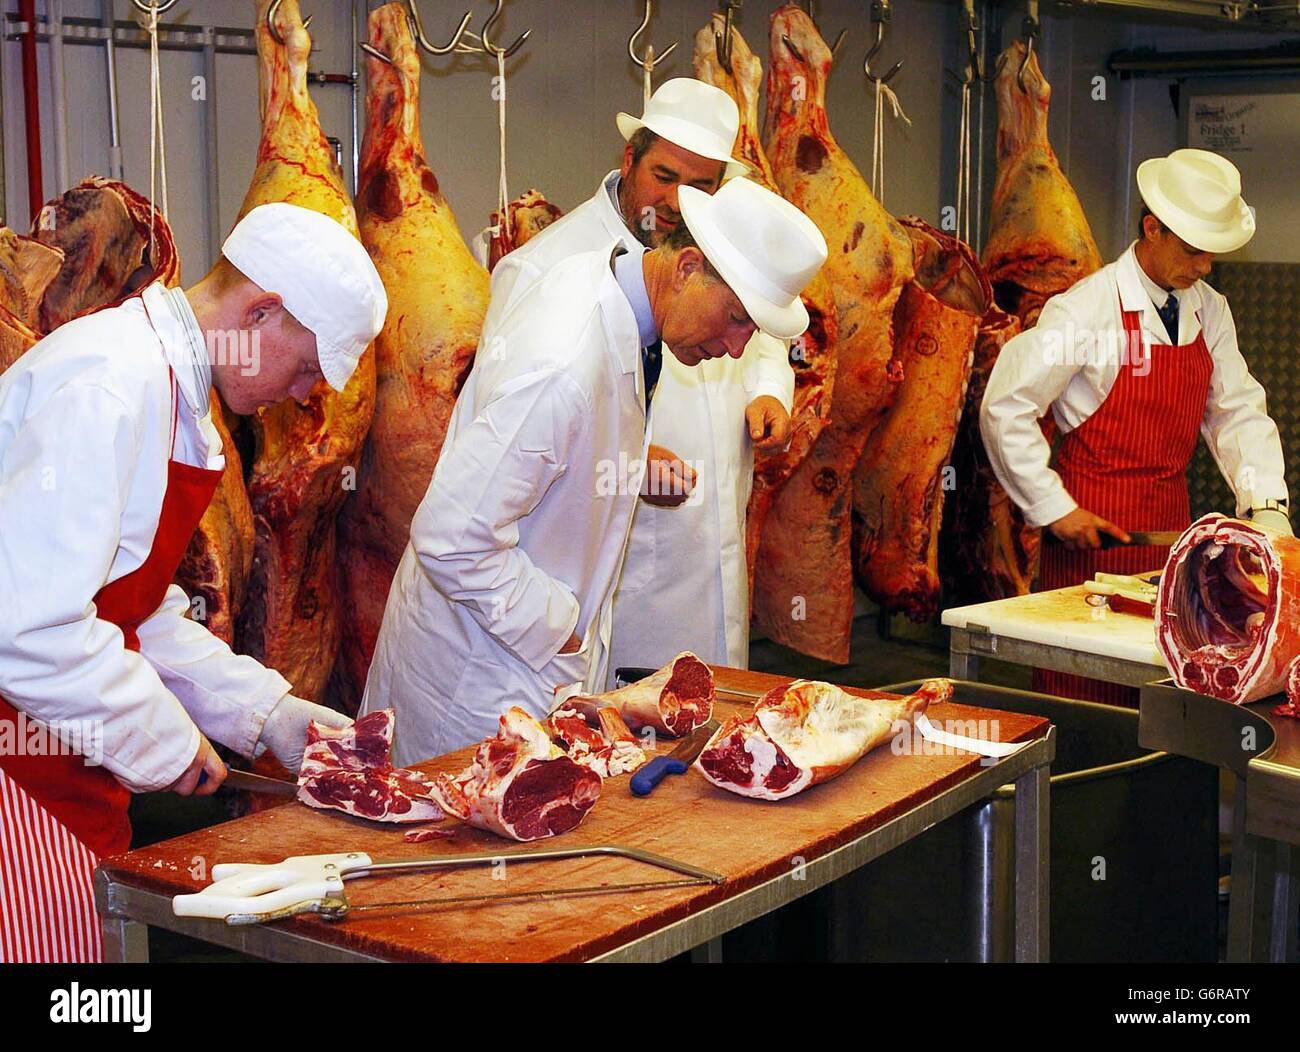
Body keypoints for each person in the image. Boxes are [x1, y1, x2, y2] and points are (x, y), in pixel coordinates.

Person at [0, 202, 387, 961]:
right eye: (308, 366)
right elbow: (29, 627)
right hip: (16, 783)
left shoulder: (175, 397)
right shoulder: (107, 384)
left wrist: (265, 711)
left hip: (66, 768)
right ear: (261, 311)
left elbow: (130, 610)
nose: (310, 393)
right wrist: (164, 740)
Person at [363, 177, 826, 764]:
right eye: (737, 319)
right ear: (686, 268)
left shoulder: (623, 312)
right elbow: (451, 537)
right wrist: (564, 626)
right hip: (474, 685)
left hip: (522, 675)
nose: (737, 349)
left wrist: (624, 470)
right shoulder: (562, 363)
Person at [492, 78, 795, 672]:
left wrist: (769, 390)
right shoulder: (542, 267)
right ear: (629, 159)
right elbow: (503, 444)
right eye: (665, 177)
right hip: (616, 602)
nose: (680, 200)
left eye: (703, 185)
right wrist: (620, 452)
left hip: (715, 566)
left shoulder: (713, 252)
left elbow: (757, 330)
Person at [981, 149, 1288, 703]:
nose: (1205, 267)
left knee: (1166, 690)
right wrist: (1053, 508)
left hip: (1169, 536)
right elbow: (1006, 404)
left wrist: (1265, 503)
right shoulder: (1087, 309)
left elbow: (1236, 408)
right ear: (1153, 229)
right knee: (1086, 693)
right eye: (1195, 252)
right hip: (1093, 535)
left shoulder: (1210, 310)